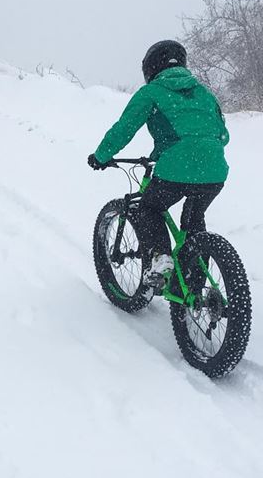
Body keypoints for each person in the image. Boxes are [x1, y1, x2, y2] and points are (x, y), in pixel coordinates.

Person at [88, 40, 230, 290]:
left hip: (177, 166)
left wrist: (100, 156)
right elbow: (222, 134)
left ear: (150, 68)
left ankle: (160, 258)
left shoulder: (152, 92)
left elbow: (124, 129)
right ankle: (193, 284)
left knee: (148, 208)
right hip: (215, 169)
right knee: (194, 221)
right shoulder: (204, 93)